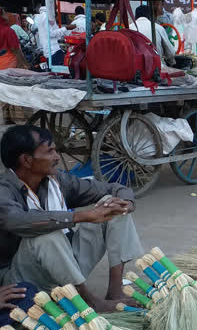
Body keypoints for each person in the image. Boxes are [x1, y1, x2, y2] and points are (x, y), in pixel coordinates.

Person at [0, 126, 144, 311]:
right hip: (19, 278)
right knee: (46, 235)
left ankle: (115, 291)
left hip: (63, 265)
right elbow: (17, 220)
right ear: (27, 160)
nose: (57, 157)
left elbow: (114, 189)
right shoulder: (4, 190)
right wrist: (81, 216)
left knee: (111, 205)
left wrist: (126, 203)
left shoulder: (57, 180)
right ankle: (91, 303)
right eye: (50, 151)